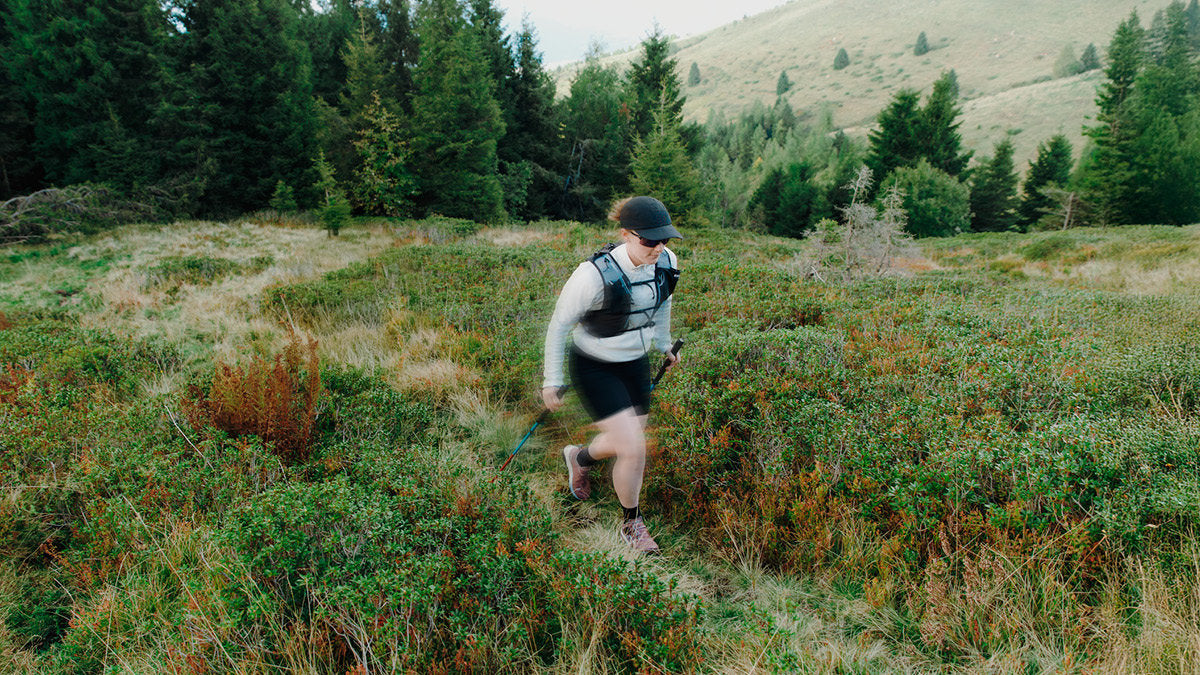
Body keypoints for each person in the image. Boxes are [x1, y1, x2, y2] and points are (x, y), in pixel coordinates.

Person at [541, 195, 682, 555]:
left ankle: (579, 458)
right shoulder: (591, 276)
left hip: (635, 363)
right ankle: (631, 524)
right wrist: (551, 379)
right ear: (626, 234)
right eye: (649, 240)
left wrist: (664, 345)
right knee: (633, 448)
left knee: (627, 441)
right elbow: (559, 326)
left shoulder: (666, 263)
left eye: (664, 238)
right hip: (594, 365)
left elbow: (663, 302)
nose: (658, 247)